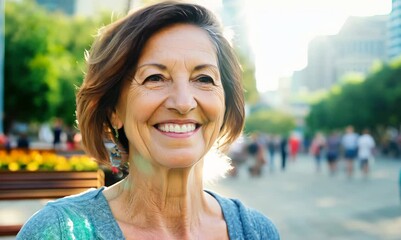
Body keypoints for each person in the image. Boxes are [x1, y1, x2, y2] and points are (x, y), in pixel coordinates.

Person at [17, 2, 279, 239]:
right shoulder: (58, 232)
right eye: (155, 78)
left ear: (225, 103)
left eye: (203, 79)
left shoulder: (257, 232)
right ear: (113, 110)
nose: (183, 102)